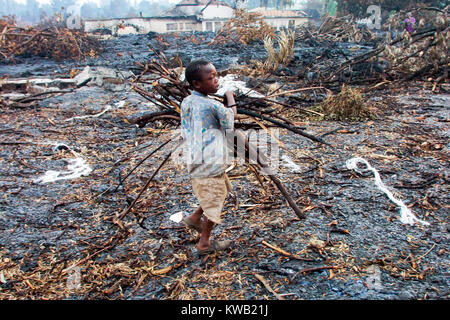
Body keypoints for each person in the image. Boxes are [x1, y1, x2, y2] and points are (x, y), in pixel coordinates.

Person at [180, 59, 237, 255]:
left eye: (216, 76)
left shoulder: (186, 101)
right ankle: (204, 243)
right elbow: (230, 122)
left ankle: (194, 218)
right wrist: (230, 99)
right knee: (214, 202)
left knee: (216, 192)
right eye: (211, 77)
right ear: (197, 84)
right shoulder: (214, 106)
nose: (216, 80)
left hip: (195, 159)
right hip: (211, 163)